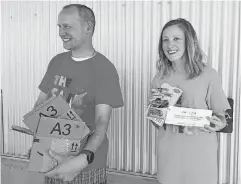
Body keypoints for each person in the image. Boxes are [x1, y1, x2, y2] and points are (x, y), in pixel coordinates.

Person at [32, 4, 124, 184]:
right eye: (59, 26)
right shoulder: (56, 62)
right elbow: (40, 104)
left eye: (67, 26)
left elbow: (101, 121)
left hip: (85, 167)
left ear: (88, 27)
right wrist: (38, 147)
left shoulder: (105, 69)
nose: (61, 32)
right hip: (51, 158)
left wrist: (83, 158)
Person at [150, 18, 230, 184]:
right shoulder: (160, 78)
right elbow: (156, 123)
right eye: (165, 40)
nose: (169, 44)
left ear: (190, 41)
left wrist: (219, 122)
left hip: (200, 158)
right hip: (169, 157)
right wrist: (161, 114)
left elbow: (222, 116)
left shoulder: (208, 75)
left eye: (176, 39)